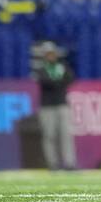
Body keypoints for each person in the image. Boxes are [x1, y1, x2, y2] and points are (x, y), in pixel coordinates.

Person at [31, 42, 77, 171]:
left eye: (52, 53)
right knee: (49, 135)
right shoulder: (41, 69)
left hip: (62, 104)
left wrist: (56, 81)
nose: (50, 56)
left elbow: (70, 78)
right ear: (44, 56)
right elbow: (45, 82)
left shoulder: (62, 67)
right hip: (47, 106)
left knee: (66, 135)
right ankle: (53, 164)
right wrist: (58, 81)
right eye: (48, 54)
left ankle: (69, 163)